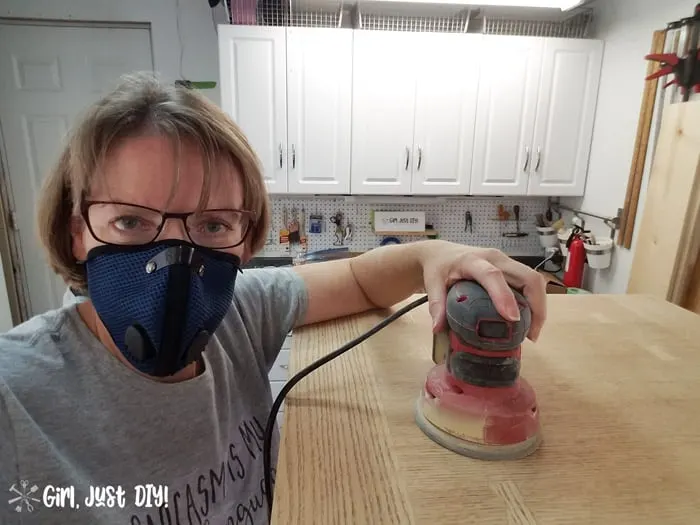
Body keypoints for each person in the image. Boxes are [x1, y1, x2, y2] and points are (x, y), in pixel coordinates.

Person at [0, 73, 546, 525]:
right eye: (129, 221)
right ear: (78, 232)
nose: (174, 262)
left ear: (246, 236)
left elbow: (359, 279)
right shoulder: (19, 395)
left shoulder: (242, 312)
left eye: (213, 224)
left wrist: (437, 254)